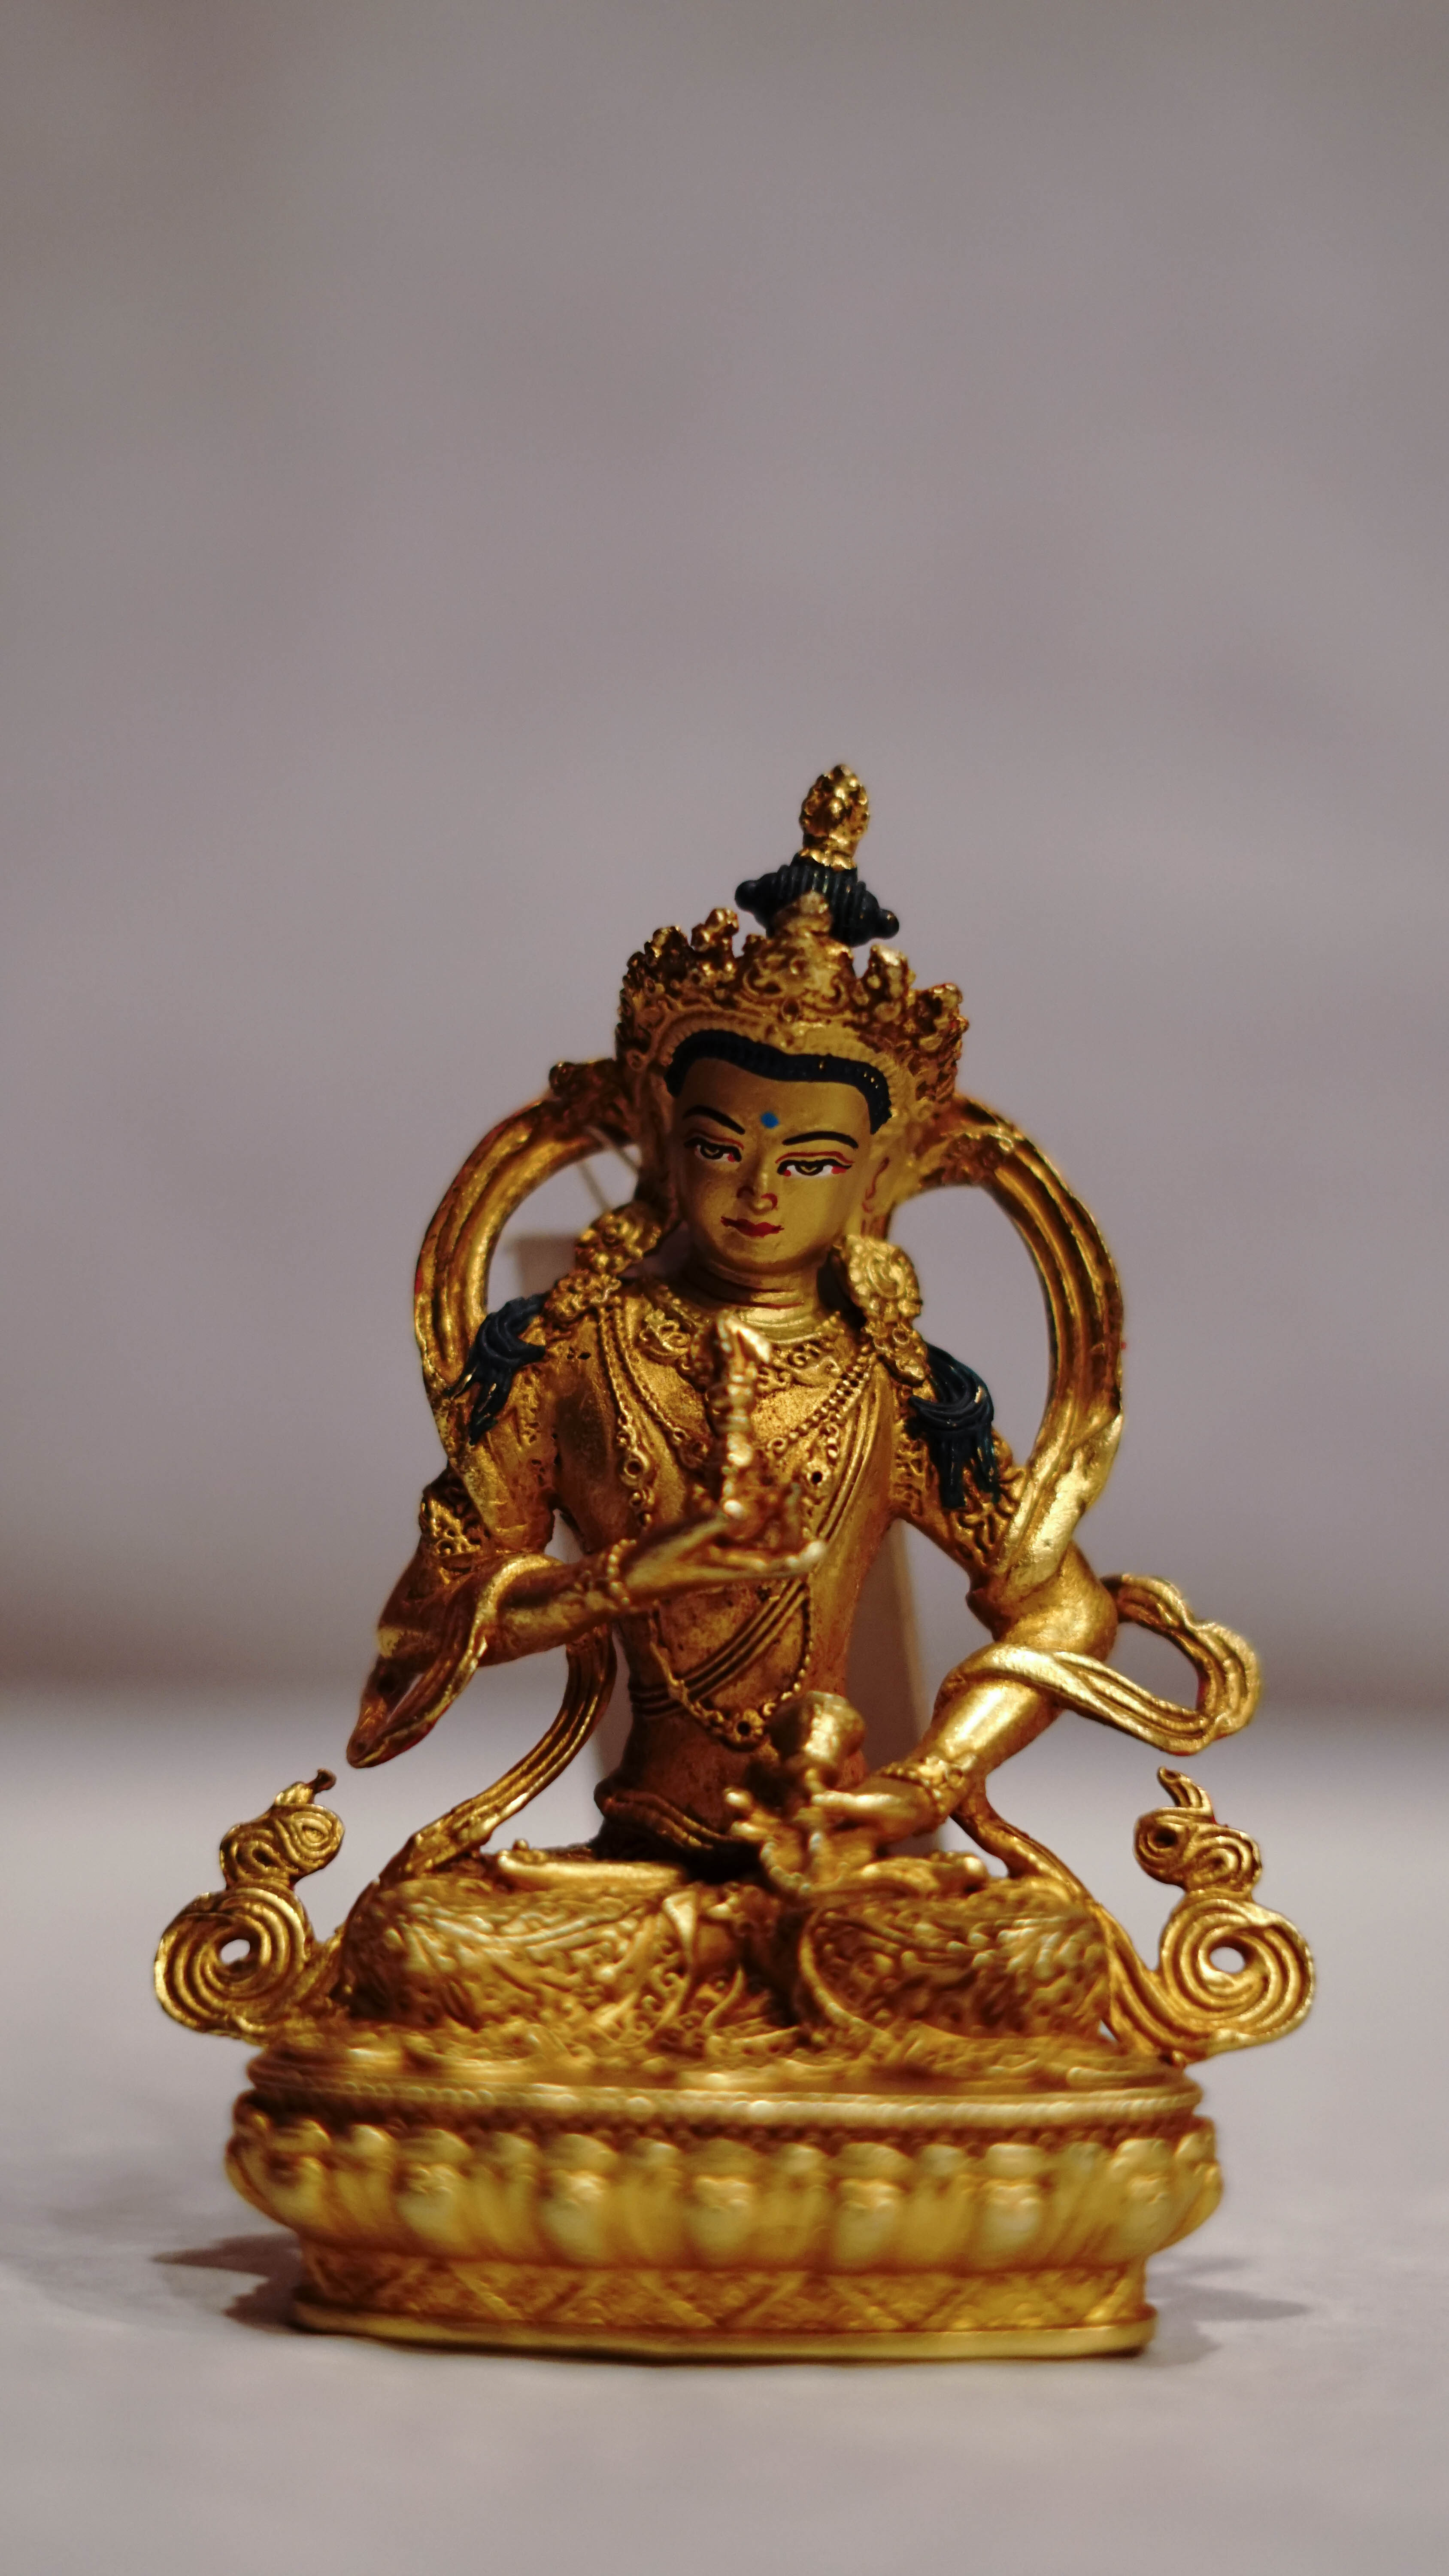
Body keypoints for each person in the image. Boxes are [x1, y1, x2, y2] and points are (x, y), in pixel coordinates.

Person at [346, 771, 1116, 1874]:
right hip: (632, 1854)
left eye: (808, 1162)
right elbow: (420, 1629)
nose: (759, 1188)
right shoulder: (566, 1354)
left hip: (823, 1852)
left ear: (871, 1182)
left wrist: (922, 1786)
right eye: (720, 1146)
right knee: (430, 1942)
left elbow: (1065, 1616)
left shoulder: (896, 1391)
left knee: (1033, 1952)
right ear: (662, 1145)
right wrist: (622, 1582)